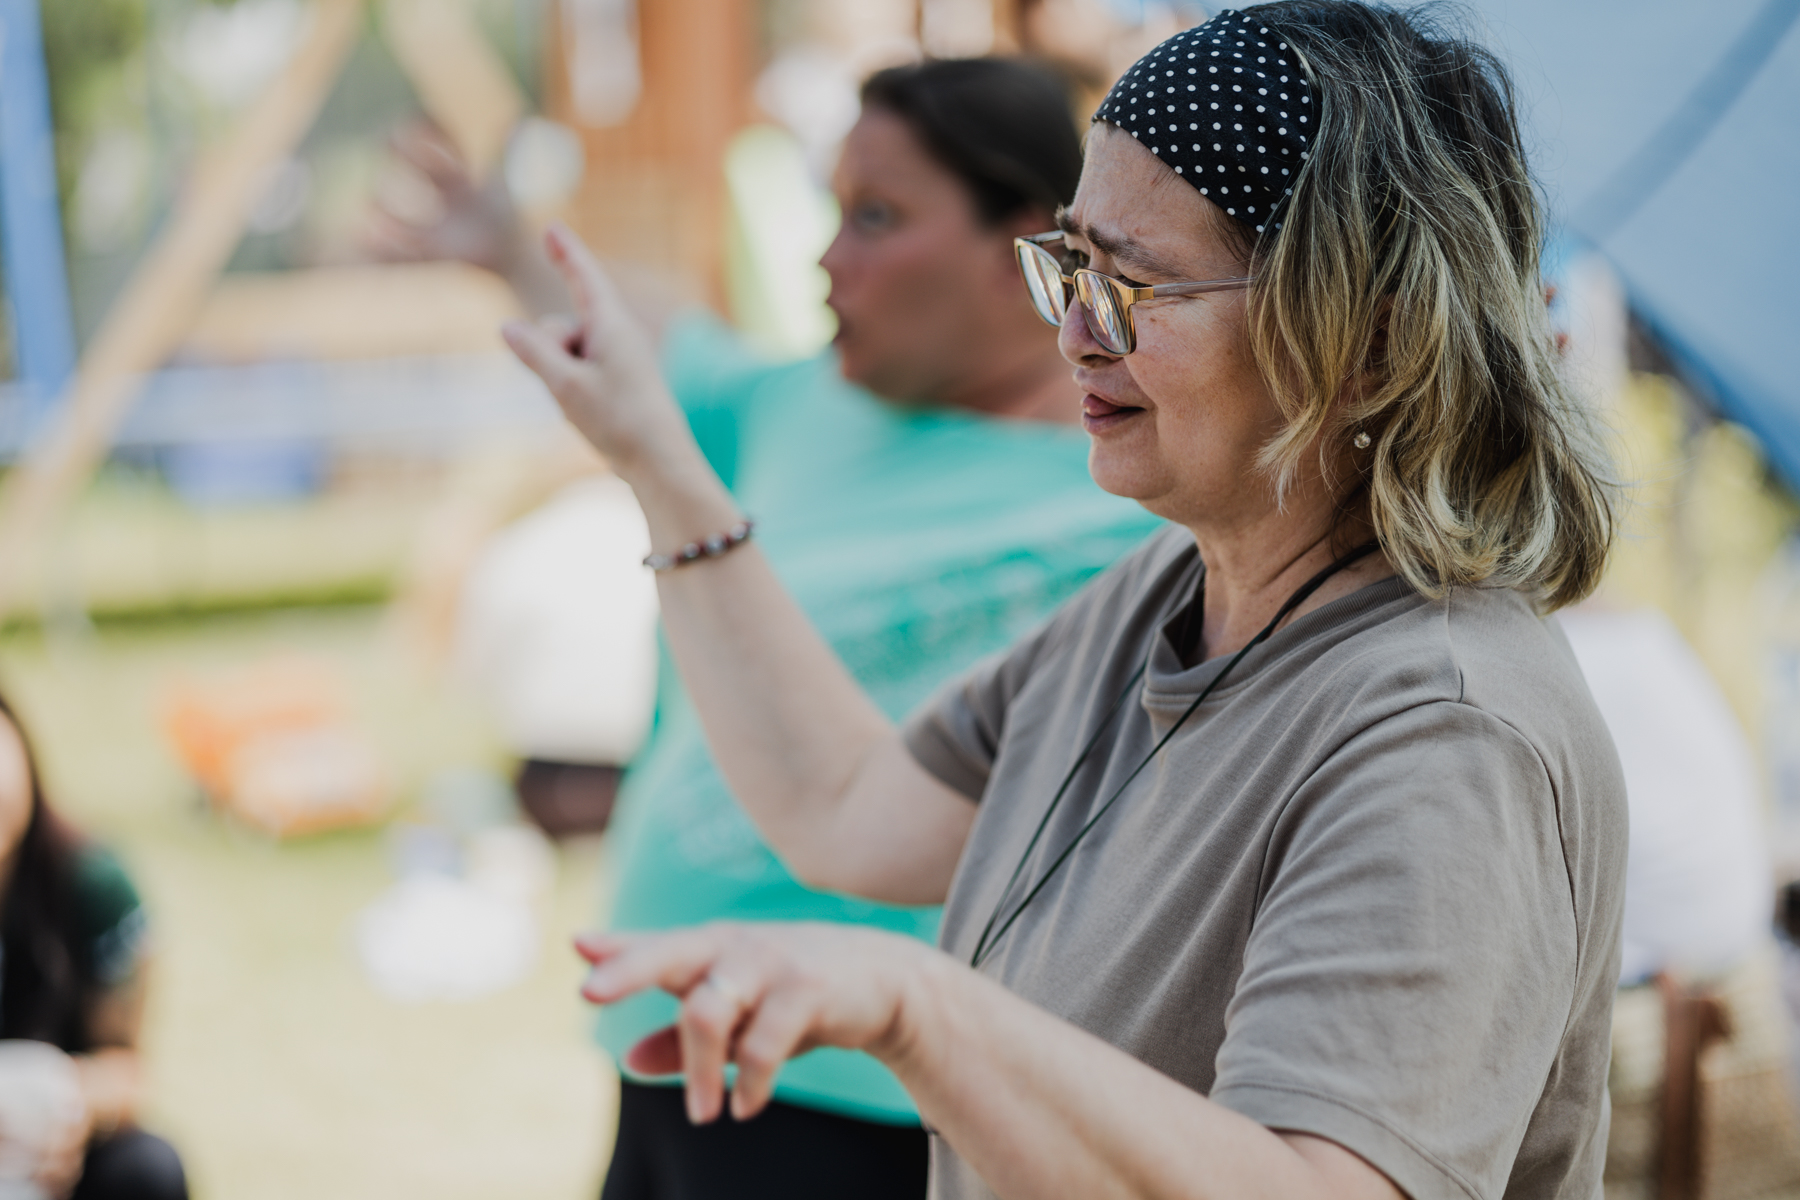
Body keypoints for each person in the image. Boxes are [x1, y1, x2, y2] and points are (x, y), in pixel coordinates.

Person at [506, 1, 1631, 1196]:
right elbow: (850, 810)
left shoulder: (1443, 732)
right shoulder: (1167, 593)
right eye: (1074, 268)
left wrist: (925, 1012)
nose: (1079, 336)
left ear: (1369, 340)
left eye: (1137, 284)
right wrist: (659, 465)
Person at [379, 58, 1163, 1197]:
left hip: (876, 1093)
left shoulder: (1132, 498)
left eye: (877, 217)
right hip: (665, 1040)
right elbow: (647, 331)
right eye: (831, 209)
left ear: (1027, 252)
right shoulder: (800, 404)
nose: (826, 256)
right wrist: (507, 242)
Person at [0, 694, 187, 1200]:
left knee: (148, 1168)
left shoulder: (89, 881)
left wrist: (75, 1105)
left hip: (45, 1158)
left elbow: (130, 1071)